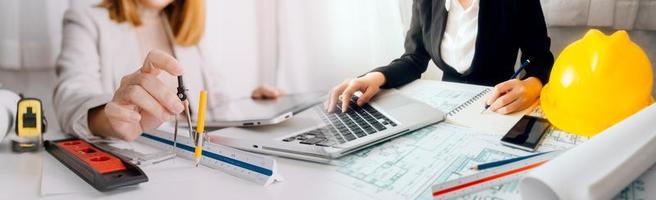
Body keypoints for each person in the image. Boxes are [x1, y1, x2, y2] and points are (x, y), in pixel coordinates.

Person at [54, 0, 281, 141]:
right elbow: (71, 98)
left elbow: (216, 103)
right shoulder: (86, 21)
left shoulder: (184, 29)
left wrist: (251, 106)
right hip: (143, 160)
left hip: (198, 159)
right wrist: (109, 119)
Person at [326, 0, 554, 115]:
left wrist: (532, 85)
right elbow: (414, 58)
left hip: (498, 106)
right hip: (445, 109)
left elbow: (540, 59)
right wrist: (375, 77)